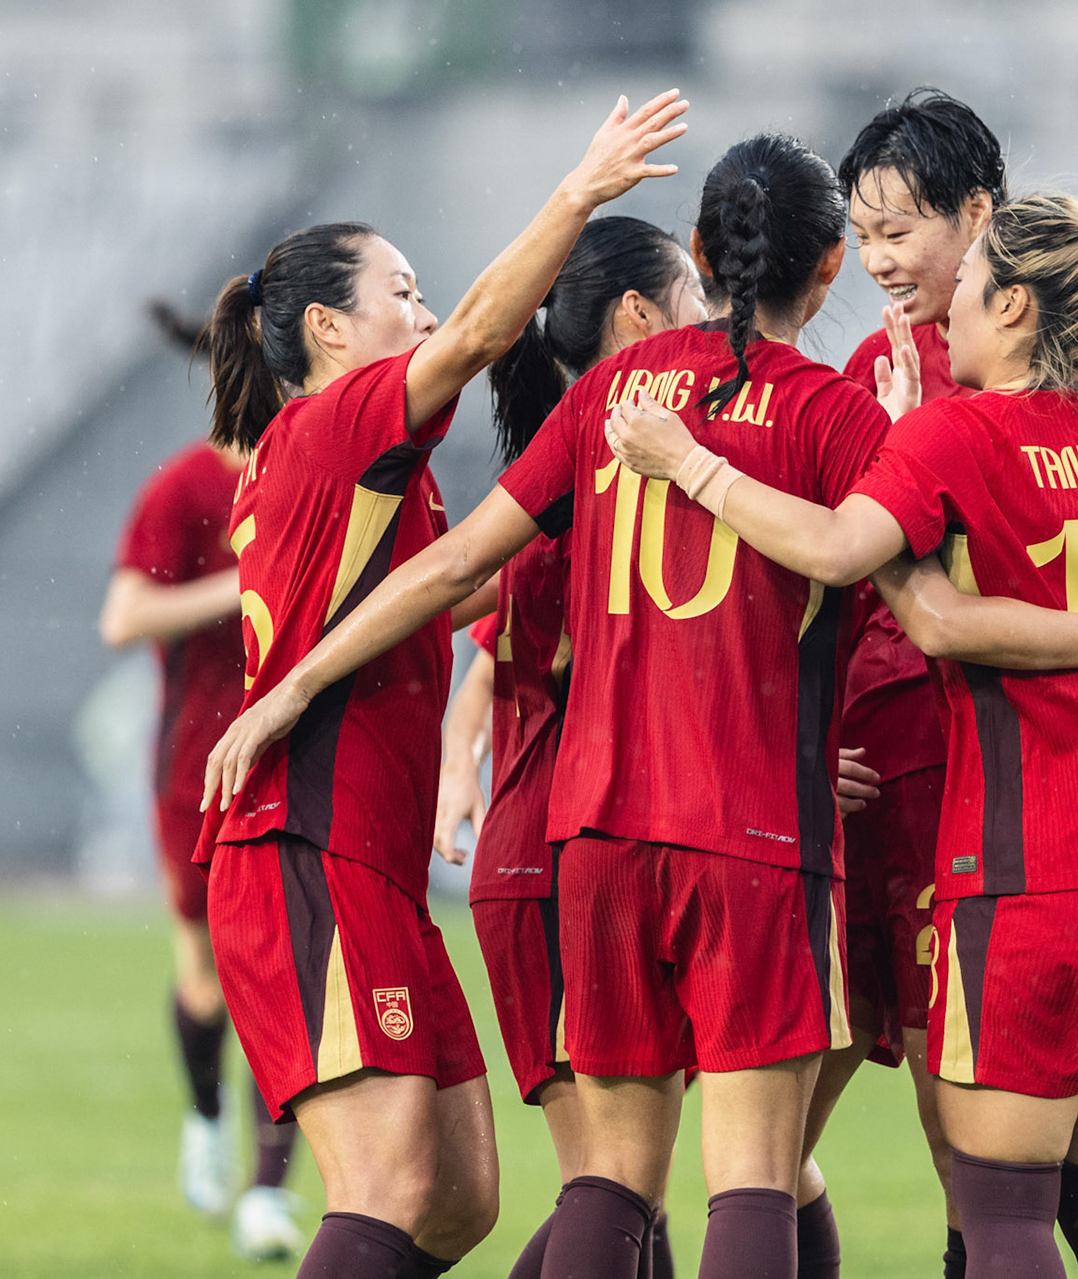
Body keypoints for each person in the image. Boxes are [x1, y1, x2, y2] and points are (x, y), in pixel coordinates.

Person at [204, 140, 1078, 1279]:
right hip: (768, 832)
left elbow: (464, 569)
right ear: (828, 270)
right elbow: (927, 602)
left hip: (595, 831)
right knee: (771, 1174)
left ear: (704, 257)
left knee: (605, 1183)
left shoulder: (612, 394)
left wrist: (302, 680)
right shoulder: (868, 418)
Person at [601, 193, 1078, 1278]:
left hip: (1029, 871)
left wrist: (694, 468)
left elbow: (835, 551)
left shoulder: (960, 433)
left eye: (965, 284)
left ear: (1010, 305)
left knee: (1001, 1214)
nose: (937, 301)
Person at [194, 89, 690, 1279]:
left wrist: (589, 485)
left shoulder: (356, 469)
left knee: (461, 1197)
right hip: (302, 848)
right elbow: (474, 334)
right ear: (326, 327)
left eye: (420, 292)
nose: (423, 313)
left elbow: (453, 589)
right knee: (391, 1184)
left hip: (367, 861)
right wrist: (581, 193)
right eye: (399, 293)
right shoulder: (332, 431)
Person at [433, 215, 709, 1279]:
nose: (705, 320)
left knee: (622, 1191)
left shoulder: (565, 479)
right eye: (688, 294)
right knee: (616, 1188)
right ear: (639, 315)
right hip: (566, 854)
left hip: (548, 851)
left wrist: (461, 753)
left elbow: (495, 644)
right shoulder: (598, 492)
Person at [795, 88, 1010, 1279]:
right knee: (764, 1138)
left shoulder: (1030, 376)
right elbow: (817, 587)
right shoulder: (866, 369)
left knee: (968, 1141)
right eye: (862, 235)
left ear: (978, 215)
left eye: (900, 232)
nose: (878, 261)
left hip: (966, 789)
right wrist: (801, 733)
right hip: (852, 794)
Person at [98, 303, 302, 1261]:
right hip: (195, 766)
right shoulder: (188, 487)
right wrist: (245, 581)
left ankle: (268, 1192)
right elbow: (123, 616)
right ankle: (207, 1116)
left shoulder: (311, 466)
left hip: (295, 758)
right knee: (207, 974)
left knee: (286, 975)